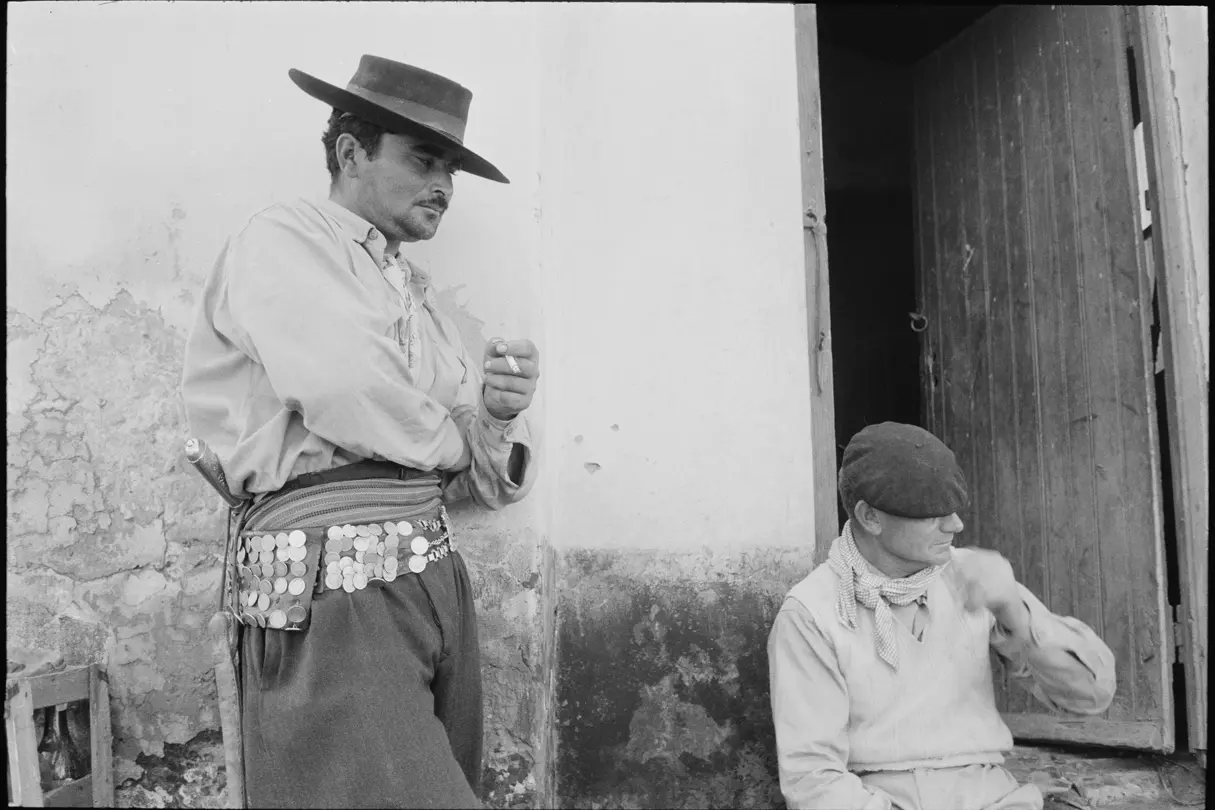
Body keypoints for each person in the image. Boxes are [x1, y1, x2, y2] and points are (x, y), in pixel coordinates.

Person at [181, 55, 539, 808]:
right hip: (335, 592)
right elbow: (350, 392)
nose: (443, 185)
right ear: (350, 153)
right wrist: (455, 439)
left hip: (428, 580)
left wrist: (496, 416)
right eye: (421, 159)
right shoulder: (285, 238)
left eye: (451, 167)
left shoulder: (412, 287)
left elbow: (468, 479)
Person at [768, 422, 1116, 810]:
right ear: (870, 517)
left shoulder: (975, 577)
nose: (955, 524)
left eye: (952, 508)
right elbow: (813, 781)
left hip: (997, 799)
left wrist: (1014, 612)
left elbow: (1092, 697)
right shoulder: (810, 613)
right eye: (931, 512)